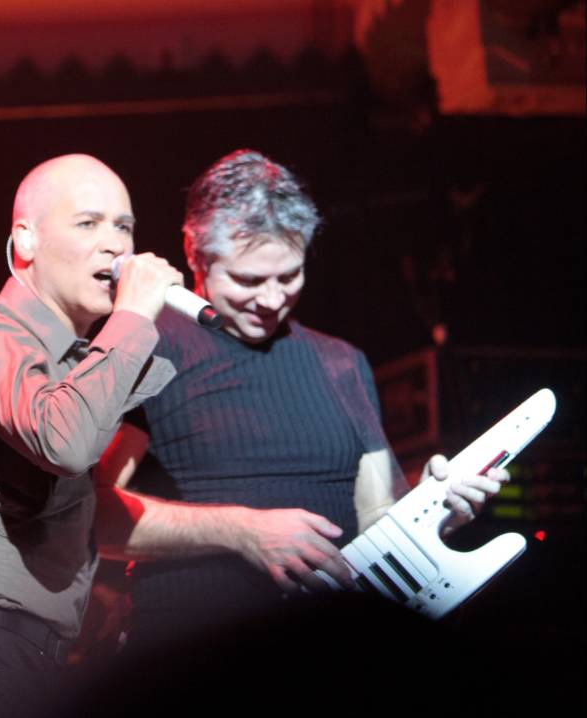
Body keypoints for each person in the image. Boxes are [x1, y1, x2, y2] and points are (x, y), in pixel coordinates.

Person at [92, 149, 506, 651]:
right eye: (247, 280)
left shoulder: (342, 363)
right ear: (195, 255)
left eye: (288, 276)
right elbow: (92, 519)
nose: (270, 300)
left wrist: (441, 505)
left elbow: (379, 518)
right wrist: (241, 530)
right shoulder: (146, 347)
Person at [0, 154, 186, 717]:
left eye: (124, 226)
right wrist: (135, 319)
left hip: (21, 654)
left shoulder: (76, 365)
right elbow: (64, 441)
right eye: (88, 223)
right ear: (25, 239)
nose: (114, 245)